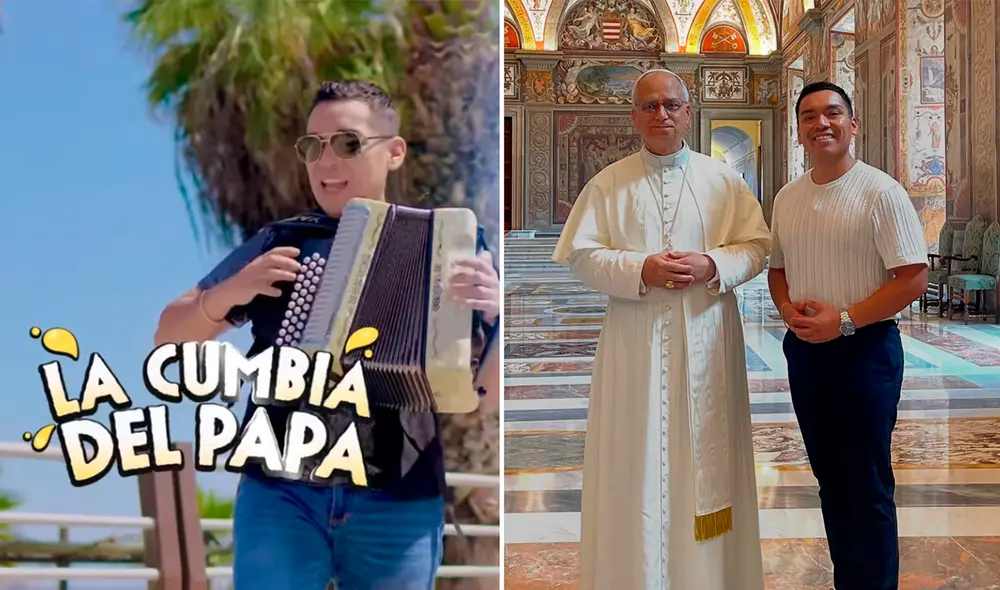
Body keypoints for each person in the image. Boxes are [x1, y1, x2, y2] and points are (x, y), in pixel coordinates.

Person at [154, 80, 501, 590]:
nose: (325, 160)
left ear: (395, 153)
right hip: (280, 490)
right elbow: (169, 338)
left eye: (348, 143)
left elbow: (488, 396)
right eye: (312, 146)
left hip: (398, 496)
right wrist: (232, 289)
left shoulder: (454, 244)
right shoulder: (285, 240)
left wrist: (502, 318)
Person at [552, 68, 770, 590]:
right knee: (638, 460)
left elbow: (758, 247)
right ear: (634, 116)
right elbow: (580, 254)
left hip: (708, 336)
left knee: (706, 461)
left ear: (689, 113)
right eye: (649, 107)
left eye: (671, 105)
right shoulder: (608, 184)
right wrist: (639, 269)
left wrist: (713, 265)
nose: (661, 115)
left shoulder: (724, 182)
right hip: (636, 344)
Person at [767, 81, 928, 590]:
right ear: (799, 132)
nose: (822, 124)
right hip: (807, 353)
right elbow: (777, 269)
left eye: (833, 113)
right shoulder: (788, 198)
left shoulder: (882, 191)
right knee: (831, 481)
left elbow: (913, 277)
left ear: (852, 124)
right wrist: (789, 309)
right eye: (810, 116)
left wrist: (845, 320)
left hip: (865, 351)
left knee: (866, 484)